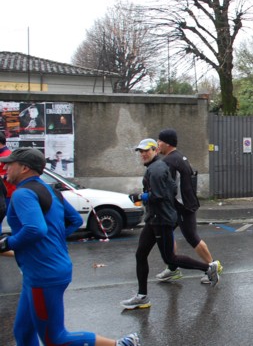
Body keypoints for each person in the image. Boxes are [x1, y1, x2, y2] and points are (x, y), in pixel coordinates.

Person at [0, 148, 139, 345]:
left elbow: (35, 229)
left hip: (43, 275)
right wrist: (53, 242)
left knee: (54, 338)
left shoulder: (22, 194)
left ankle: (122, 344)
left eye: (10, 163)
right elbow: (74, 219)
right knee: (23, 332)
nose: (5, 167)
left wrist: (7, 242)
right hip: (45, 270)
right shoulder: (51, 190)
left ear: (24, 168)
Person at [121, 139, 219, 310]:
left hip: (161, 220)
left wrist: (140, 197)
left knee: (169, 258)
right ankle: (142, 296)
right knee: (141, 254)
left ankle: (208, 269)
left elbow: (159, 195)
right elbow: (172, 188)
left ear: (155, 151)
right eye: (140, 151)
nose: (143, 154)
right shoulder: (158, 167)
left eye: (146, 151)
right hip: (154, 218)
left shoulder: (157, 169)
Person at [154, 129, 222, 285]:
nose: (157, 144)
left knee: (192, 237)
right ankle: (172, 269)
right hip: (182, 204)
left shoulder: (169, 162)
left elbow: (168, 188)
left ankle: (213, 268)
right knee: (168, 234)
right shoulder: (178, 157)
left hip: (182, 206)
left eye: (159, 141)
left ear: (167, 143)